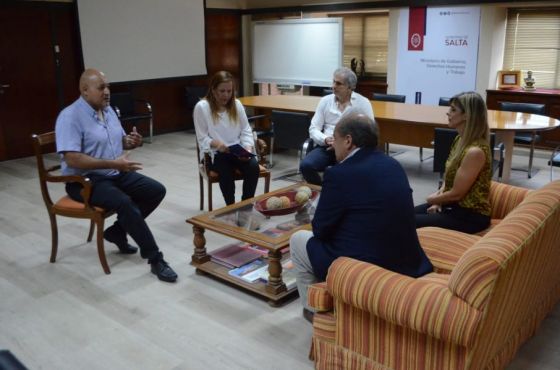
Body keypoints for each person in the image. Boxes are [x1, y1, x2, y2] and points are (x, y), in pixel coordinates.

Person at [291, 113, 433, 322]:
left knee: (298, 240)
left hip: (366, 266)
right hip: (407, 260)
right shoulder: (393, 165)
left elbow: (320, 229)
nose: (333, 146)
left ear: (348, 141)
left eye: (335, 139)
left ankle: (314, 309)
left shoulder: (339, 174)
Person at [55, 68, 177, 283]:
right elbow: (73, 159)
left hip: (113, 172)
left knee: (156, 191)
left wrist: (131, 141)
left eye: (108, 86)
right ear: (84, 90)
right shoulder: (70, 117)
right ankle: (155, 258)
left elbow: (119, 141)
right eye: (101, 87)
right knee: (124, 202)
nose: (107, 92)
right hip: (84, 181)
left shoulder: (108, 110)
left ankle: (116, 231)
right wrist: (113, 163)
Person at [415, 91, 492, 234]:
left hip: (470, 216)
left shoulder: (475, 151)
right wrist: (438, 201)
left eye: (453, 109)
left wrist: (433, 198)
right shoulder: (459, 140)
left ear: (467, 115)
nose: (447, 112)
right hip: (453, 206)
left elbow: (457, 194)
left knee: (406, 221)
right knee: (402, 214)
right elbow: (449, 177)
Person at [193, 71, 259, 205]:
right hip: (215, 153)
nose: (226, 95)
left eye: (229, 91)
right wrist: (216, 144)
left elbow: (246, 130)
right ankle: (231, 207)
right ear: (213, 90)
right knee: (225, 171)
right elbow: (202, 138)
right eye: (222, 91)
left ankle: (245, 206)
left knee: (253, 167)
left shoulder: (236, 104)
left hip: (237, 150)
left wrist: (247, 147)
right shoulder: (202, 107)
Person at [299, 67, 374, 185]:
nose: (333, 86)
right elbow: (313, 128)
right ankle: (324, 191)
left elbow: (369, 132)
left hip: (350, 149)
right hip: (327, 146)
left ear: (351, 87)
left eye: (339, 83)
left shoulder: (363, 103)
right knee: (306, 166)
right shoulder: (325, 101)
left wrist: (345, 144)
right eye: (333, 81)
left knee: (343, 173)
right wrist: (325, 139)